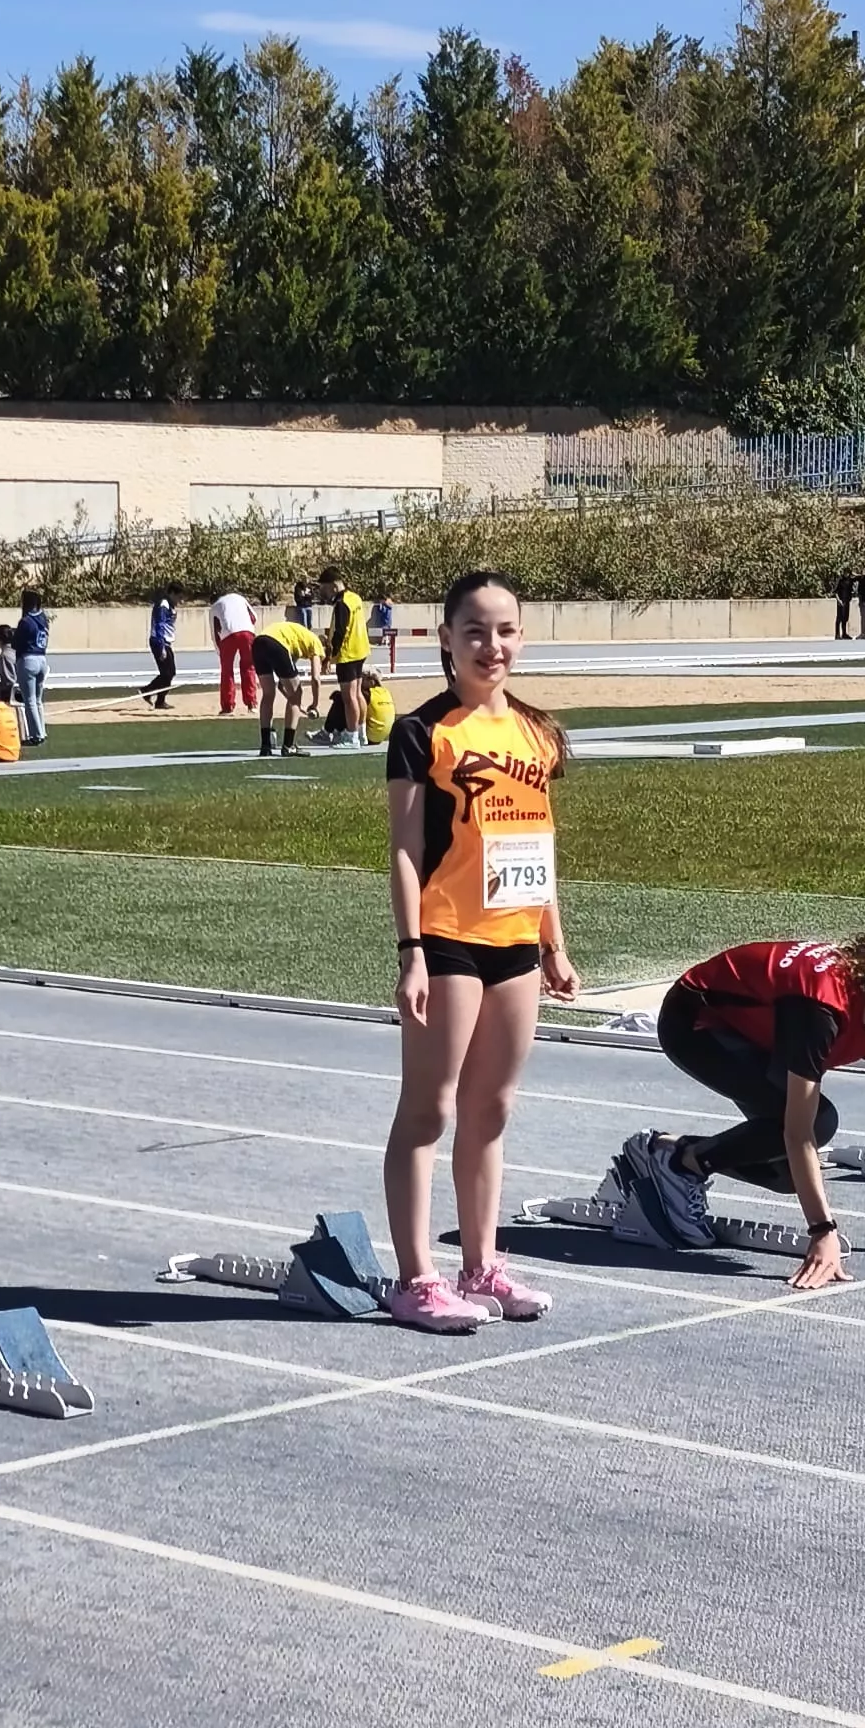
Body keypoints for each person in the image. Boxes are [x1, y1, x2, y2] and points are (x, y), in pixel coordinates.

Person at [382, 570, 581, 1333]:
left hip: (515, 944)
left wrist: (554, 942)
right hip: (447, 938)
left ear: (521, 637)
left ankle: (481, 1264)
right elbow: (405, 849)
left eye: (504, 631)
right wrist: (412, 950)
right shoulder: (422, 731)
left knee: (492, 1109)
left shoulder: (538, 733)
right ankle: (416, 1279)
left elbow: (538, 843)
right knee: (430, 1108)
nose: (490, 645)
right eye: (474, 631)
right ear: (447, 639)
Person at [619, 936, 865, 1291]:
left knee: (789, 1176)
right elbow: (799, 1133)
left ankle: (668, 1151)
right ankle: (682, 1165)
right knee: (818, 1123)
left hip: (758, 1033)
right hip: (696, 1024)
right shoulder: (820, 1013)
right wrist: (823, 1231)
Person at [250, 618, 318, 757]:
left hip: (258, 643)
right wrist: (314, 704)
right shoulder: (316, 644)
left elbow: (282, 684)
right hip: (276, 644)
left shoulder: (297, 641)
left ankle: (266, 746)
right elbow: (316, 678)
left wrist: (296, 703)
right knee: (297, 693)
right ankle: (288, 745)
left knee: (268, 694)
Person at [320, 564, 371, 747]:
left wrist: (330, 655)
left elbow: (340, 632)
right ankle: (361, 733)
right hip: (360, 650)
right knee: (357, 694)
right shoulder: (354, 597)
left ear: (334, 586)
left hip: (347, 654)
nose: (324, 593)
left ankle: (351, 736)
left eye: (325, 589)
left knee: (349, 697)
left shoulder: (341, 604)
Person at [210, 588, 258, 716]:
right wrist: (248, 627)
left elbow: (214, 633)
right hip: (247, 632)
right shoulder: (238, 597)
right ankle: (251, 703)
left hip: (228, 635)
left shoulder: (214, 607)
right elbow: (254, 617)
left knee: (227, 671)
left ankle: (228, 706)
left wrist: (219, 650)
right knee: (249, 667)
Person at [12, 587, 50, 745]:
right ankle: (42, 731)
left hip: (28, 660)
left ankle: (36, 735)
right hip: (42, 659)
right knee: (38, 700)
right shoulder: (43, 619)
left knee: (30, 700)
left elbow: (16, 643)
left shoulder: (25, 621)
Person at [145, 585, 182, 709]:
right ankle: (148, 691)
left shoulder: (169, 605)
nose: (180, 600)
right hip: (159, 642)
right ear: (172, 593)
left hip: (166, 642)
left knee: (170, 672)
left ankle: (158, 699)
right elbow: (160, 625)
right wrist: (161, 647)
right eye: (178, 597)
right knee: (167, 673)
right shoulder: (163, 605)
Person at [364, 666, 395, 746]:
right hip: (383, 736)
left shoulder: (366, 693)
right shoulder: (386, 691)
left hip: (371, 736)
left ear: (370, 681)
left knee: (346, 702)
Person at [833, 568, 855, 641]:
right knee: (839, 618)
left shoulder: (850, 580)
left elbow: (858, 577)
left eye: (847, 573)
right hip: (841, 601)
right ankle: (837, 634)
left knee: (845, 618)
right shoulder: (840, 580)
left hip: (847, 601)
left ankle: (844, 633)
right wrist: (838, 600)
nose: (846, 574)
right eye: (845, 572)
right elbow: (835, 591)